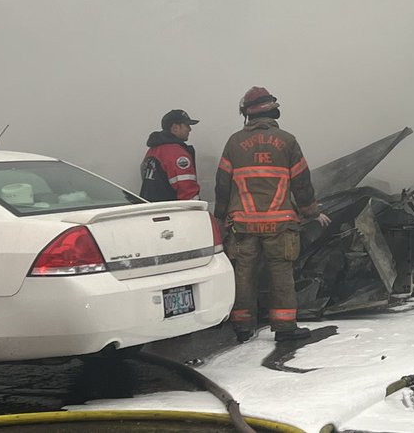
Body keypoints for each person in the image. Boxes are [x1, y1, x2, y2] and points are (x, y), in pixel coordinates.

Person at [215, 86, 330, 343]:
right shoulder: (287, 141)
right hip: (280, 223)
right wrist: (311, 212)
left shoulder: (234, 143)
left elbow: (222, 184)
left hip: (243, 225)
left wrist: (220, 216)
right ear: (273, 111)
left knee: (244, 273)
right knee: (281, 272)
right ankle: (285, 326)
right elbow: (302, 183)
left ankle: (243, 326)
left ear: (247, 114)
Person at [140, 109, 201, 201]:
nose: (190, 129)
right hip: (172, 211)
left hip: (151, 209)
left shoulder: (152, 151)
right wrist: (199, 211)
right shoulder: (177, 154)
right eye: (187, 125)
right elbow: (187, 191)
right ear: (175, 127)